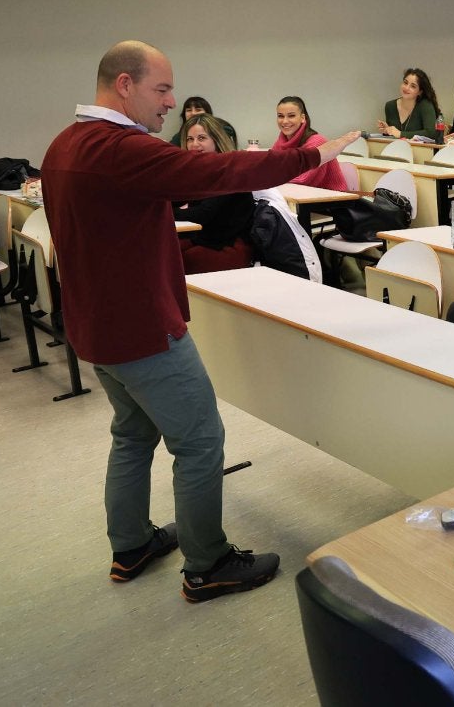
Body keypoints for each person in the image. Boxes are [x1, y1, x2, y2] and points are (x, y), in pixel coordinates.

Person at [40, 40, 360, 601]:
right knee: (200, 442)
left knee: (133, 435)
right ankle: (208, 564)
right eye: (161, 90)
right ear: (123, 85)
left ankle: (132, 542)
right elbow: (219, 169)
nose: (171, 103)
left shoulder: (64, 144)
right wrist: (312, 155)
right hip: (141, 329)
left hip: (96, 328)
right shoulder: (119, 149)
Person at [176, 114, 255, 274]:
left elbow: (203, 214)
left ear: (216, 140)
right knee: (159, 249)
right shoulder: (199, 170)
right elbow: (175, 197)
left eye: (201, 138)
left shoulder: (229, 171)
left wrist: (163, 212)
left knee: (172, 261)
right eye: (190, 139)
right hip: (206, 238)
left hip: (230, 245)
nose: (194, 144)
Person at [275, 95, 348, 191]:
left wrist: (272, 174)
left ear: (302, 118)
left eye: (291, 116)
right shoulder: (281, 142)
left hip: (332, 200)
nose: (284, 121)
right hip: (299, 196)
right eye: (280, 116)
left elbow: (302, 179)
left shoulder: (317, 142)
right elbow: (269, 167)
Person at [378, 68, 440, 140]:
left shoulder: (425, 105)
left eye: (413, 86)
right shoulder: (390, 106)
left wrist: (400, 134)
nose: (407, 88)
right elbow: (393, 136)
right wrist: (387, 130)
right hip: (397, 149)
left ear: (420, 92)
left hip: (421, 150)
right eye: (405, 82)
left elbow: (431, 133)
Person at [168, 97, 236, 148]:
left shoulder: (223, 128)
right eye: (189, 110)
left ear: (207, 113)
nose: (193, 113)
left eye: (198, 110)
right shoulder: (179, 135)